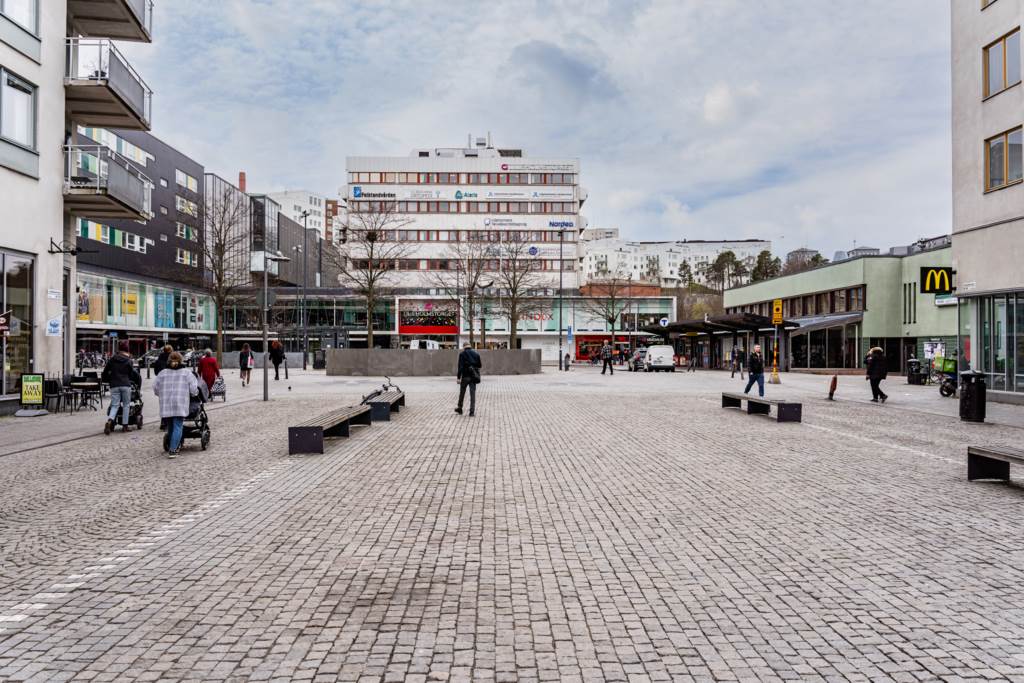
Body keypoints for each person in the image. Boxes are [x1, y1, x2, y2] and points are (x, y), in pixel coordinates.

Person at [153, 351, 200, 458]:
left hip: (166, 403)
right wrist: (194, 394)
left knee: (170, 426)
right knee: (178, 425)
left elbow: (155, 388)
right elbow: (193, 389)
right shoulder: (186, 373)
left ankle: (172, 445)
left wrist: (161, 394)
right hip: (180, 402)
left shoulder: (163, 373)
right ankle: (173, 450)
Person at [102, 341, 142, 435]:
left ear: (119, 349)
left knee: (115, 405)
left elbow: (105, 372)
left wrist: (108, 380)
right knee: (126, 405)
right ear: (127, 350)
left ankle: (110, 420)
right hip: (125, 384)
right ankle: (125, 426)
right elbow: (131, 374)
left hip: (114, 385)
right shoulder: (128, 360)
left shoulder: (112, 359)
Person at [455, 342, 482, 416]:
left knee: (462, 393)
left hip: (465, 376)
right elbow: (480, 365)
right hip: (473, 377)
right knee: (472, 394)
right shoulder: (476, 354)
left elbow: (460, 367)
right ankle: (472, 412)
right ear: (470, 346)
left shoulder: (462, 354)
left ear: (464, 347)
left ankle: (460, 408)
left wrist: (458, 377)